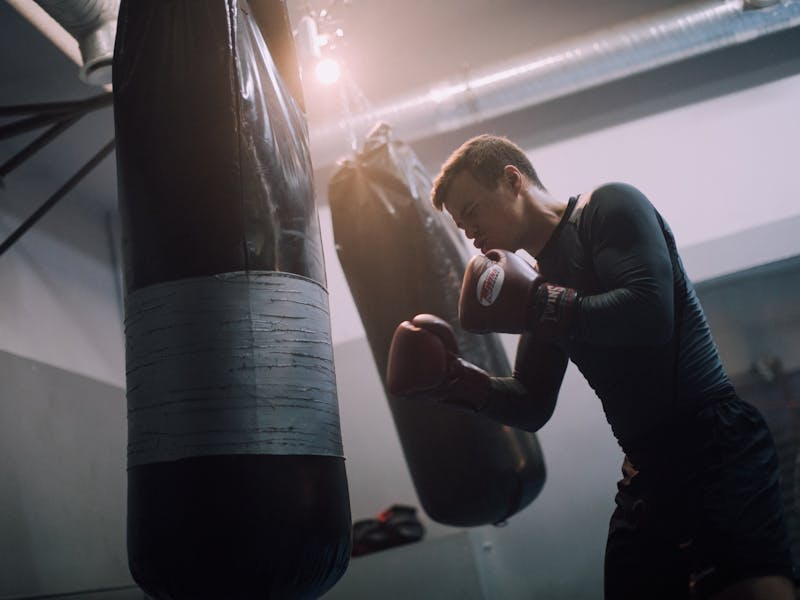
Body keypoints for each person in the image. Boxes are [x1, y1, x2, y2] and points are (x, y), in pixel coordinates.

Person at [385, 134, 796, 599]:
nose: (469, 233)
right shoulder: (537, 285)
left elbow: (649, 314)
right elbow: (532, 401)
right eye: (461, 225)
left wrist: (540, 303)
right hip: (645, 468)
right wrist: (455, 382)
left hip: (713, 441)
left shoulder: (607, 209)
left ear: (512, 179)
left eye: (473, 210)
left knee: (747, 590)